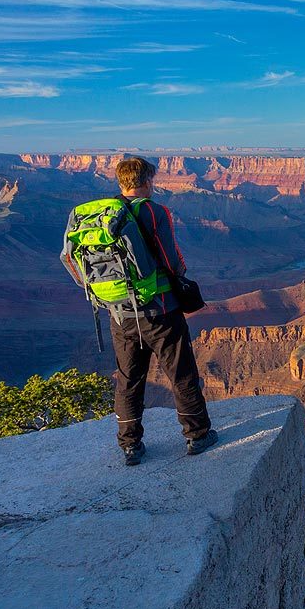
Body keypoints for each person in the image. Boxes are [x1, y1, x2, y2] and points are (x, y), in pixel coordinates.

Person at [100, 157, 217, 464]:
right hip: (160, 311)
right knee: (181, 373)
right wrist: (180, 275)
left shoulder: (103, 214)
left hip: (120, 314)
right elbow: (170, 258)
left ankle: (130, 445)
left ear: (120, 182)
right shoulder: (154, 211)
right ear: (147, 180)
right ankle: (197, 434)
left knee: (128, 379)